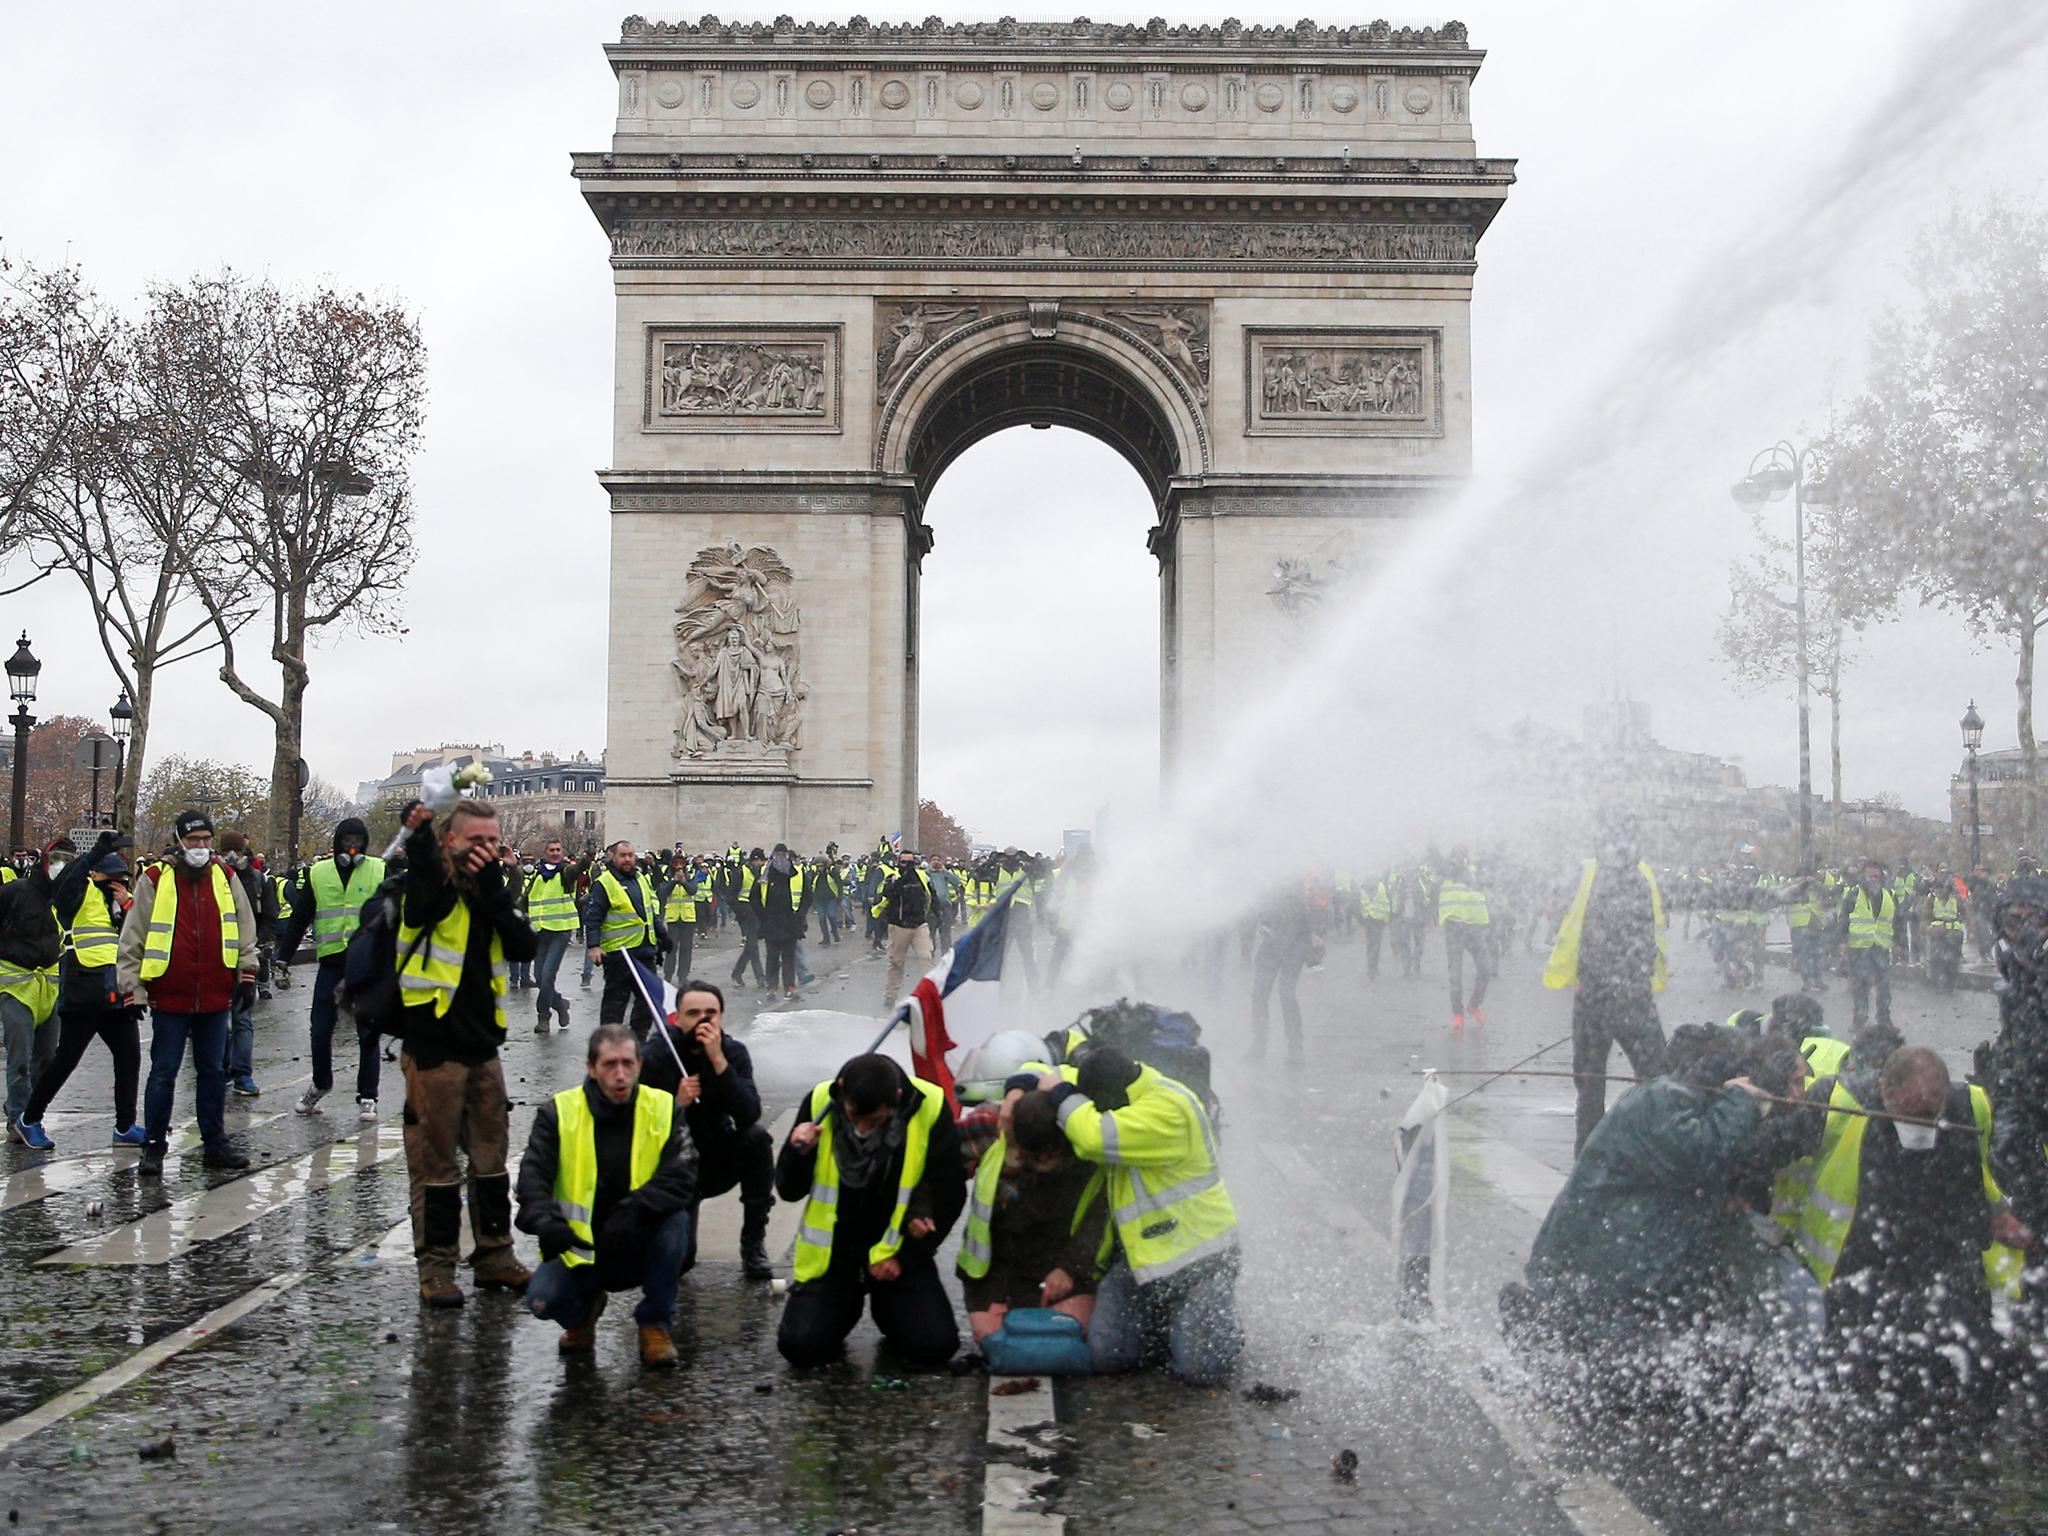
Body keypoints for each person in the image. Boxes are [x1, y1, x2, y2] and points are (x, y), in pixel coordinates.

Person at [1772, 1044, 2025, 1403]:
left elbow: (1978, 1170)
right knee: (1860, 1384)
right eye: (1910, 1111)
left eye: (1930, 1111)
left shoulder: (1970, 1109)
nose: (1920, 1124)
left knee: (1966, 1377)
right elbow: (1770, 1148)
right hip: (1860, 1269)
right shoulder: (1839, 1103)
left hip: (1946, 1267)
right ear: (1885, 1091)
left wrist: (1998, 1215)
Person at [1517, 1027, 1773, 1350]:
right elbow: (1703, 1153)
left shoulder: (1680, 1101)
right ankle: (1546, 1331)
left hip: (1607, 1258)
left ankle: (1552, 1331)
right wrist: (1741, 1102)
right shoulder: (1663, 1101)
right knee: (1604, 1358)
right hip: (1599, 1265)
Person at [1011, 1046, 1241, 1386]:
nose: (1094, 1110)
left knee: (1200, 1371)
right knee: (1108, 1355)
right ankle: (1168, 1325)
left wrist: (1061, 1093)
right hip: (1143, 1263)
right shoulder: (1115, 1082)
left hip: (1199, 1260)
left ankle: (1217, 1330)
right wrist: (1015, 1090)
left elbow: (1093, 1136)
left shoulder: (1170, 1109)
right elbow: (1042, 1068)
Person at [392, 797, 536, 1307]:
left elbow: (523, 947)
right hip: (434, 1048)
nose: (487, 851)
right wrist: (420, 836)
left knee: (491, 1160)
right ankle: (436, 1267)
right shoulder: (427, 881)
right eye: (476, 841)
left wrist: (495, 886)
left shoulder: (492, 887)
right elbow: (427, 901)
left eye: (493, 842)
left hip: (483, 1045)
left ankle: (495, 1256)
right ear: (451, 841)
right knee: (435, 1166)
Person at [516, 1023, 699, 1367]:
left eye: (627, 1064)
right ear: (590, 1068)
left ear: (639, 1066)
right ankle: (582, 1316)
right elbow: (532, 1177)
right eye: (609, 1065)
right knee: (542, 1300)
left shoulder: (663, 1108)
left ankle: (654, 1325)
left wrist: (635, 1211)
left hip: (638, 1238)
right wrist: (546, 1221)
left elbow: (682, 1175)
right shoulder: (558, 1112)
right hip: (579, 1247)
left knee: (675, 1222)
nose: (620, 1074)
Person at [775, 1051, 965, 1368]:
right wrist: (797, 1154)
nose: (862, 1129)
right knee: (802, 1349)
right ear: (841, 1090)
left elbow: (951, 1193)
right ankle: (843, 1305)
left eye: (875, 1121)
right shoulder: (821, 1100)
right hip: (835, 1258)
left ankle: (890, 1307)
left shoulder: (929, 1104)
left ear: (898, 1099)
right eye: (854, 1118)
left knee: (935, 1348)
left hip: (895, 1251)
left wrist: (906, 1256)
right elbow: (788, 1190)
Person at [119, 812, 257, 1177]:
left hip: (214, 995)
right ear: (179, 841)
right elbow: (133, 935)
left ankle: (215, 1143)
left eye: (206, 840)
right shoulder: (154, 879)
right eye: (194, 840)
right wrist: (132, 988)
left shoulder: (225, 878)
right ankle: (154, 1145)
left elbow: (244, 927)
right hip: (170, 996)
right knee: (163, 1072)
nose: (200, 847)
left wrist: (248, 973)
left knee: (213, 1072)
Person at [636, 979, 776, 1280]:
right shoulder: (658, 1054)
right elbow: (636, 1126)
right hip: (673, 1164)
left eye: (711, 1013)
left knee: (757, 1140)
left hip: (716, 1157)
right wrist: (676, 1105)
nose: (703, 1020)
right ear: (679, 1017)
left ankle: (753, 1242)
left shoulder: (732, 1052)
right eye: (694, 1013)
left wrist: (718, 1062)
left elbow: (749, 1113)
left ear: (721, 1016)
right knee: (680, 1261)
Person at [1544, 833, 1671, 1155]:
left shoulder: (1585, 874)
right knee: (1654, 1079)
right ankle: (1648, 1149)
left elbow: (1555, 907)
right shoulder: (1644, 877)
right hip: (1629, 997)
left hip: (1595, 998)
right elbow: (1700, 895)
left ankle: (1589, 1160)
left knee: (1591, 1087)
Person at [957, 1088, 1109, 1356]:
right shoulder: (986, 1128)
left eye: (1051, 1154)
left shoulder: (1090, 1142)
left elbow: (1098, 1221)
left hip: (1062, 1265)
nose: (1044, 1161)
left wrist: (1068, 1268)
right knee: (993, 1341)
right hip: (997, 1269)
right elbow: (934, 1166)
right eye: (1034, 1155)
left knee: (1069, 1339)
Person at [16, 833, 140, 1149]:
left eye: (120, 878)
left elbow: (137, 937)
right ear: (93, 874)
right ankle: (29, 1119)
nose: (115, 882)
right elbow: (67, 881)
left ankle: (125, 1127)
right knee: (66, 1059)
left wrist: (128, 905)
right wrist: (95, 852)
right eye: (109, 876)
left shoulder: (116, 903)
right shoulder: (76, 893)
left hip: (113, 989)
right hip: (82, 986)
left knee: (129, 1056)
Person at [1, 839, 66, 1143]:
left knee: (47, 1059)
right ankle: (19, 1118)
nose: (61, 865)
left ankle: (27, 1111)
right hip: (17, 986)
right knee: (20, 1058)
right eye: (57, 858)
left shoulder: (68, 896)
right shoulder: (16, 892)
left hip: (50, 985)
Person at [583, 840, 666, 1037]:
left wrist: (662, 935)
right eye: (623, 855)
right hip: (619, 954)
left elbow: (649, 913)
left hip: (644, 951)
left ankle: (638, 1039)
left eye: (631, 855)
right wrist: (593, 946)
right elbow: (593, 918)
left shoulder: (640, 879)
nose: (628, 859)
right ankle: (610, 1042)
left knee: (648, 1000)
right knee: (615, 1002)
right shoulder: (605, 883)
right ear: (614, 857)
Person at [214, 831, 268, 1099]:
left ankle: (241, 1073)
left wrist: (261, 945)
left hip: (243, 955)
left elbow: (267, 912)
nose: (232, 857)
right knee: (221, 1022)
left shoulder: (255, 879)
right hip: (218, 959)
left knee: (242, 1019)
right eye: (227, 851)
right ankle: (223, 1070)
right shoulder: (213, 875)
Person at [522, 838, 584, 1034]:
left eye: (558, 850)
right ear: (545, 852)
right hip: (540, 931)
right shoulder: (538, 875)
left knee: (548, 975)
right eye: (552, 850)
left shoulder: (565, 872)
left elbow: (577, 870)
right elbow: (524, 901)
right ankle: (559, 1003)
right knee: (539, 977)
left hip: (560, 930)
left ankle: (544, 1016)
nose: (556, 853)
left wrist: (587, 859)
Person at [1249, 881, 1313, 1064]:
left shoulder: (1290, 882)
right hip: (1273, 943)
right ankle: (1259, 1044)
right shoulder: (1269, 883)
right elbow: (1263, 913)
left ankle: (1295, 1047)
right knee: (1259, 995)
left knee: (1286, 995)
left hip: (1295, 946)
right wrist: (1263, 922)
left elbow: (1301, 920)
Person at [1837, 858, 1898, 1031]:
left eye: (1876, 873)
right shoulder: (1854, 894)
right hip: (1859, 948)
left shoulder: (1889, 895)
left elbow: (1897, 920)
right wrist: (1842, 940)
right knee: (1860, 986)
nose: (1873, 876)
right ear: (1863, 874)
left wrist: (1899, 943)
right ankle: (1859, 1019)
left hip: (1881, 947)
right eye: (1870, 872)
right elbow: (1844, 918)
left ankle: (1884, 1018)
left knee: (1883, 986)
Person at [1437, 850, 1493, 1027]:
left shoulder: (1475, 871)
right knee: (1455, 974)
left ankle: (1473, 1005)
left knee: (1485, 969)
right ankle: (1457, 1013)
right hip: (1454, 928)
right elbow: (1435, 858)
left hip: (1474, 927)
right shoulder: (1447, 869)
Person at [749, 843, 810, 1001]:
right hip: (771, 922)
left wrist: (800, 915)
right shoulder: (765, 873)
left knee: (789, 956)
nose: (781, 858)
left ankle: (789, 986)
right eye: (778, 854)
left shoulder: (797, 873)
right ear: (774, 855)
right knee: (772, 956)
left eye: (784, 854)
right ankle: (772, 986)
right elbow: (754, 897)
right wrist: (762, 915)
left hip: (790, 921)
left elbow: (807, 896)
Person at [879, 848, 935, 1007]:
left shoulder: (922, 876)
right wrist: (902, 879)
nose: (908, 865)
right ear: (898, 862)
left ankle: (931, 994)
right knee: (896, 962)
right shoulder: (893, 877)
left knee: (926, 957)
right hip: (899, 925)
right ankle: (890, 996)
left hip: (919, 924)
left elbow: (932, 895)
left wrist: (938, 915)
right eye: (904, 862)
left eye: (911, 862)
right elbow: (887, 893)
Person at [658, 854, 705, 986]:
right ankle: (668, 975)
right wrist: (674, 881)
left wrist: (683, 882)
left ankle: (683, 975)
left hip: (688, 918)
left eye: (681, 865)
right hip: (673, 918)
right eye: (676, 865)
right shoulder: (667, 877)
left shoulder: (690, 876)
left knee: (686, 949)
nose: (679, 867)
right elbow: (663, 893)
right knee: (671, 949)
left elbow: (692, 890)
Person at [727, 847, 767, 990]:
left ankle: (737, 973)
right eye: (760, 861)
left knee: (751, 945)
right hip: (745, 913)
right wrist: (741, 911)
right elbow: (730, 896)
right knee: (753, 945)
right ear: (755, 860)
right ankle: (760, 977)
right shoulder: (741, 873)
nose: (761, 864)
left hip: (755, 913)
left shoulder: (759, 873)